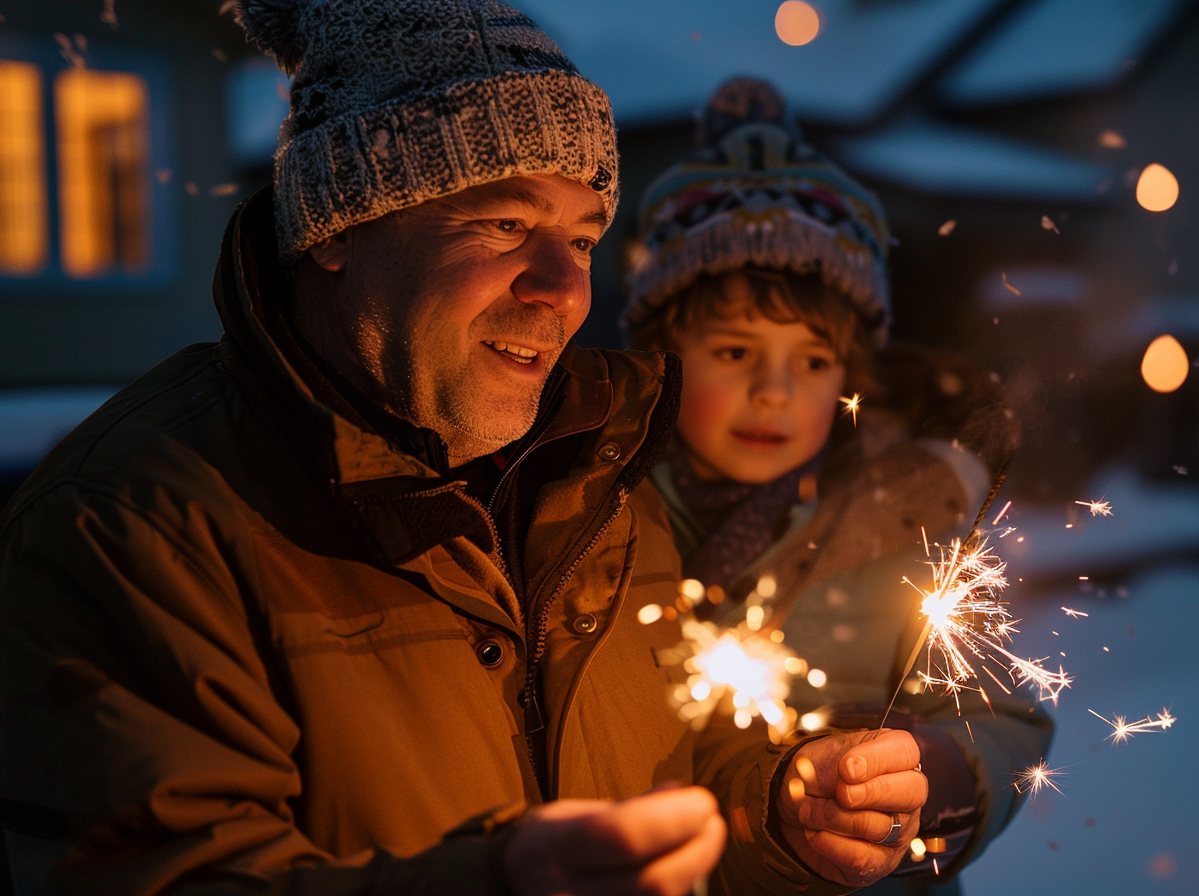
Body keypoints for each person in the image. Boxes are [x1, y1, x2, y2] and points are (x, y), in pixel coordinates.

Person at [0, 5, 930, 896]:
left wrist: (780, 810)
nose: (563, 288)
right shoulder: (135, 523)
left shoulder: (599, 485)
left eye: (581, 236)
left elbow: (655, 768)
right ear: (341, 229)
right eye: (505, 224)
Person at [624, 79, 1054, 893]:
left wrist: (935, 776)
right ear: (664, 351)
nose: (774, 391)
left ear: (853, 376)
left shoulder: (910, 524)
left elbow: (1005, 715)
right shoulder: (599, 518)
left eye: (813, 362)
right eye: (734, 351)